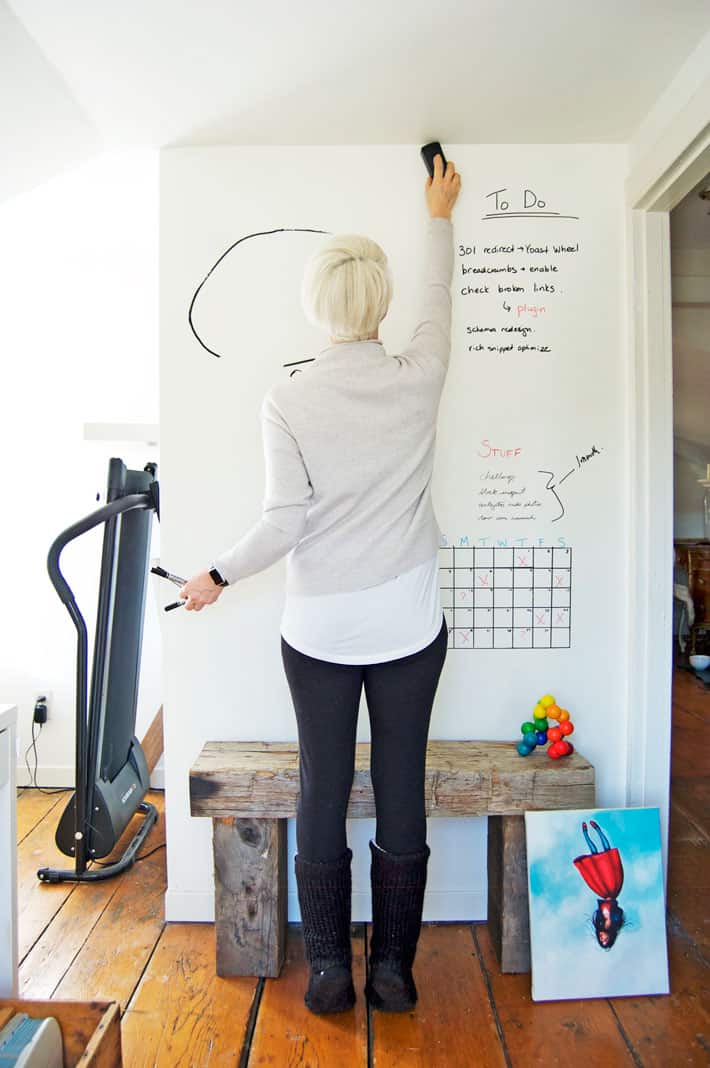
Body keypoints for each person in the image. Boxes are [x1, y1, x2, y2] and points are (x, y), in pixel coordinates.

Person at [179, 154, 461, 1014]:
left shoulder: (289, 399)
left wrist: (217, 574)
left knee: (323, 789)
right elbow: (440, 303)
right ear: (379, 304)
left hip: (321, 636)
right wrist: (438, 212)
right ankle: (395, 972)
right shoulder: (420, 376)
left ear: (316, 307)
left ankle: (333, 970)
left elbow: (284, 523)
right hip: (410, 625)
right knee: (403, 788)